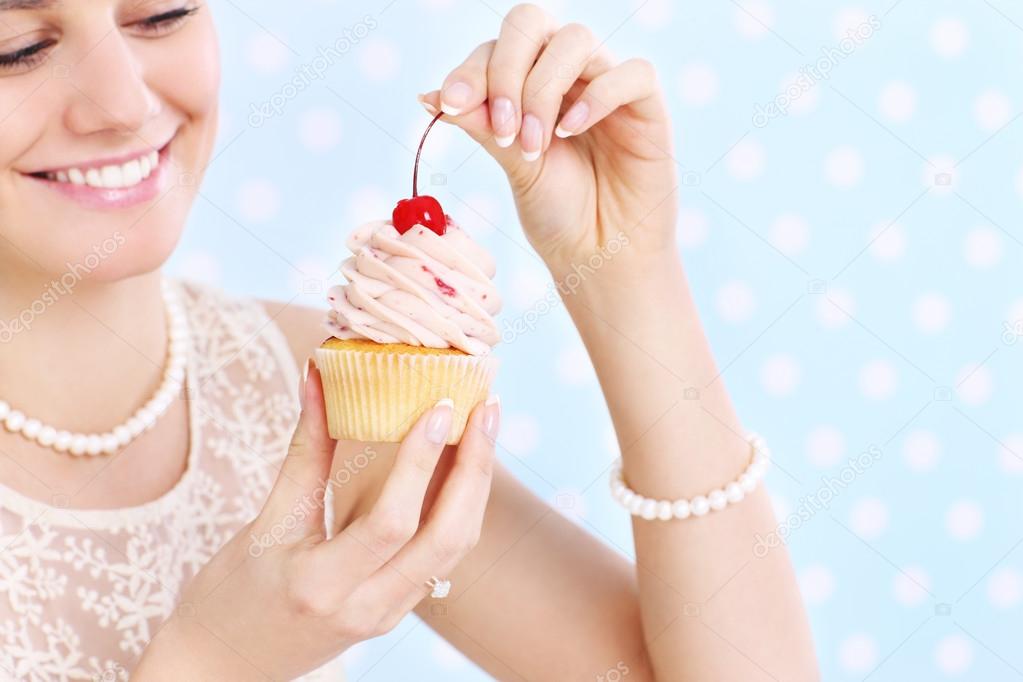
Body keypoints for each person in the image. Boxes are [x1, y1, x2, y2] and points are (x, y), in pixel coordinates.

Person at [0, 1, 818, 679]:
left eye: (159, 14)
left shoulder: (315, 394)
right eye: (19, 49)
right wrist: (216, 660)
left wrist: (622, 267)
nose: (124, 103)